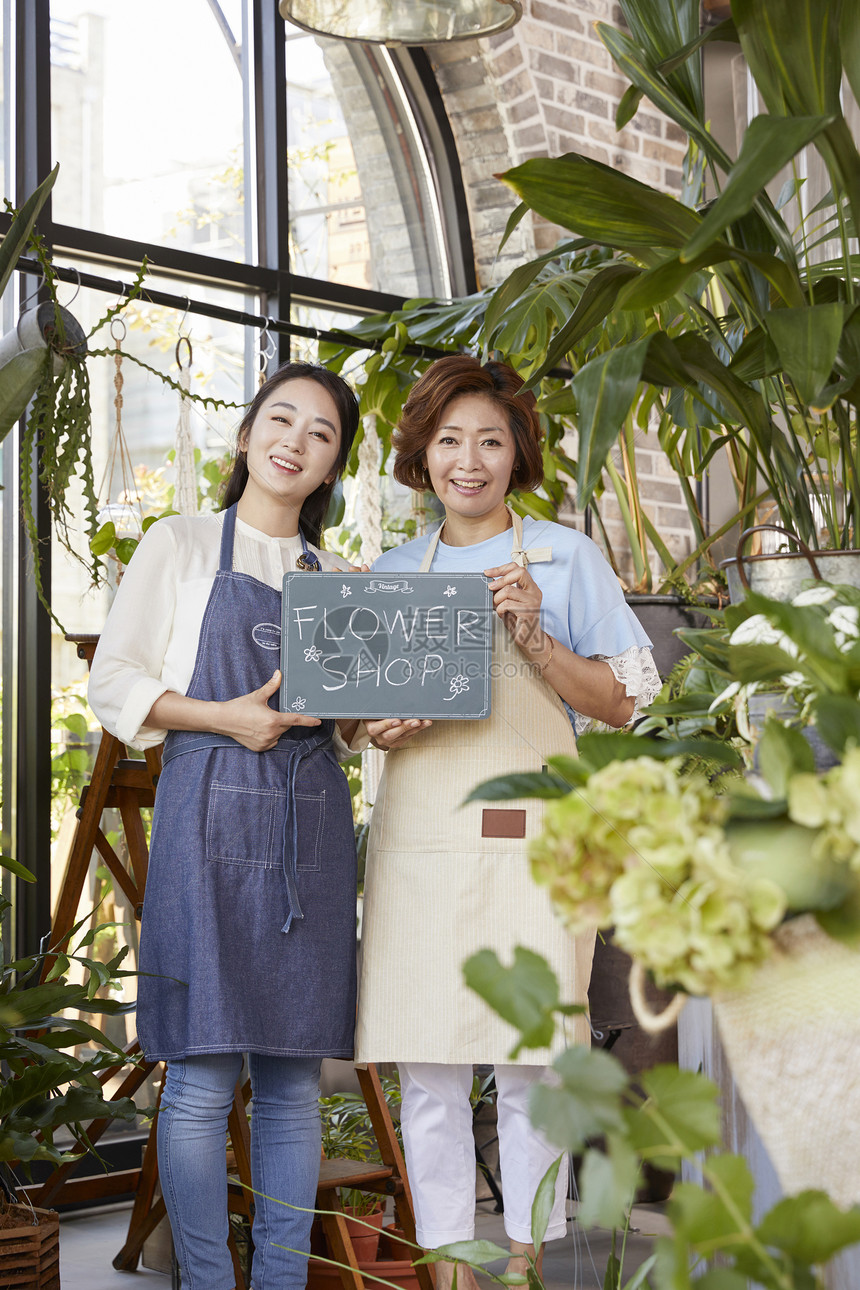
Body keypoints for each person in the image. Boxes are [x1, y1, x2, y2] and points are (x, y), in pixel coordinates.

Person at [353, 355, 660, 1287]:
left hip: (534, 834)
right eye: (450, 441)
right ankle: (449, 1263)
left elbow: (623, 702)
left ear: (517, 452)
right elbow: (365, 716)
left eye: (490, 439)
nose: (469, 460)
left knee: (532, 1059)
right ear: (423, 455)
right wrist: (378, 723)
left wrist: (539, 639)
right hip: (418, 839)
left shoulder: (566, 557)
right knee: (428, 1060)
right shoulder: (397, 572)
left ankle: (521, 1260)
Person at [88, 361, 361, 1290]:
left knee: (289, 1085)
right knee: (201, 1079)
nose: (295, 440)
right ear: (245, 437)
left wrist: (375, 720)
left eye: (320, 433)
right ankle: (208, 1282)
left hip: (312, 835)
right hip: (207, 821)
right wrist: (227, 717)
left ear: (331, 468)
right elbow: (114, 683)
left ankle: (280, 1282)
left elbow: (349, 724)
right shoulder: (182, 542)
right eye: (280, 419)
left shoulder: (334, 576)